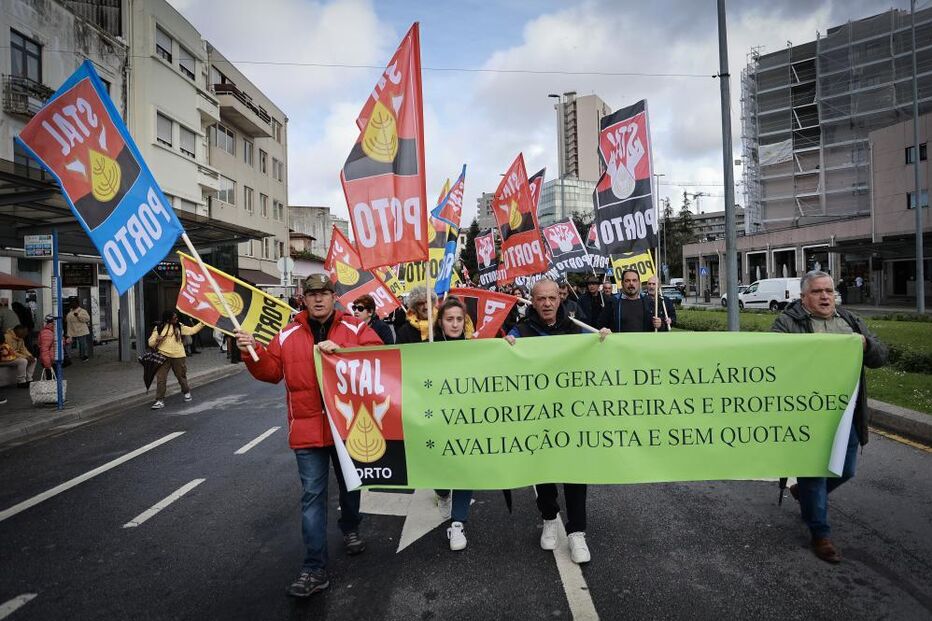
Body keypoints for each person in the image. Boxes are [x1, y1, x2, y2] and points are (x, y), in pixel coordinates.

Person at [235, 274, 383, 598]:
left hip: (347, 428)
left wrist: (342, 351)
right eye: (312, 294)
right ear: (303, 298)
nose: (318, 299)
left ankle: (351, 526)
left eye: (324, 293)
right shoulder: (287, 334)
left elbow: (379, 360)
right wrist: (250, 352)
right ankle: (314, 568)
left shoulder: (355, 329)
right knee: (312, 497)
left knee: (350, 485)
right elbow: (271, 371)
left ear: (334, 296)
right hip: (306, 430)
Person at [772, 270, 888, 564]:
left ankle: (802, 493)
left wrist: (867, 345)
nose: (825, 296)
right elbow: (771, 359)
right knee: (814, 472)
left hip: (845, 412)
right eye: (817, 292)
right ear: (803, 297)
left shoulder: (850, 322)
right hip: (807, 414)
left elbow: (881, 356)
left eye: (829, 291)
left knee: (845, 470)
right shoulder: (788, 322)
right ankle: (820, 534)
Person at [504, 279, 602, 565]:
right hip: (536, 417)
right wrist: (505, 347)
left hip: (572, 415)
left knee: (575, 472)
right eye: (541, 299)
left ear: (560, 299)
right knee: (542, 469)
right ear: (532, 302)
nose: (547, 304)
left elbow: (599, 352)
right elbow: (503, 362)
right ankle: (548, 518)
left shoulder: (577, 329)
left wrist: (605, 340)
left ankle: (577, 532)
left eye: (552, 298)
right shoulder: (520, 331)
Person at [431, 297, 475, 551]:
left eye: (460, 319)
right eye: (450, 319)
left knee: (464, 468)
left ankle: (457, 524)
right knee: (440, 468)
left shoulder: (475, 346)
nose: (455, 324)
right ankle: (442, 493)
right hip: (437, 420)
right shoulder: (428, 347)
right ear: (441, 322)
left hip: (466, 420)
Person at [147, 311, 205, 410]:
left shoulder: (179, 326)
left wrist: (202, 323)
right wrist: (157, 340)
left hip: (178, 356)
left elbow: (192, 330)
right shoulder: (159, 328)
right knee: (161, 378)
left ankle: (186, 392)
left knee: (181, 376)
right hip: (163, 356)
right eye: (174, 318)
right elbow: (150, 342)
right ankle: (159, 400)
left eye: (176, 317)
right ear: (168, 319)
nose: (176, 319)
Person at [598, 269, 662, 333]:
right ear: (622, 283)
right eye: (627, 281)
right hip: (619, 342)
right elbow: (600, 324)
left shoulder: (648, 301)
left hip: (643, 342)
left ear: (639, 283)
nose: (631, 283)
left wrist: (660, 325)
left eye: (634, 280)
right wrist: (605, 330)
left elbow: (661, 326)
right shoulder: (613, 301)